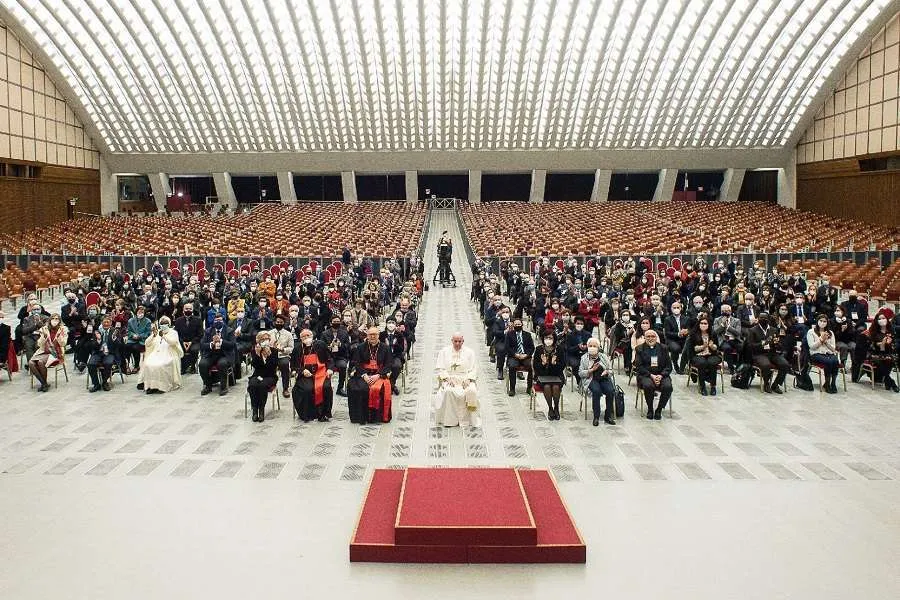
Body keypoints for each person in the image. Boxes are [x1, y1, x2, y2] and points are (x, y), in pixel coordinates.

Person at [434, 333, 480, 427]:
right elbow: (441, 368)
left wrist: (469, 379)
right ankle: (450, 420)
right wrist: (447, 378)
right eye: (455, 341)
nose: (458, 343)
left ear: (463, 341)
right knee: (448, 391)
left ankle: (468, 420)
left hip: (465, 378)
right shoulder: (444, 351)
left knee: (471, 390)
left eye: (460, 341)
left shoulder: (470, 352)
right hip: (450, 378)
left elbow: (474, 368)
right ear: (452, 341)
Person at [347, 327, 392, 424]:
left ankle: (376, 418)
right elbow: (357, 364)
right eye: (370, 334)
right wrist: (364, 375)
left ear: (378, 335)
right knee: (359, 389)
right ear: (367, 336)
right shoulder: (360, 347)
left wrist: (378, 375)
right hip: (364, 373)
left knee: (378, 389)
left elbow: (388, 365)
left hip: (379, 374)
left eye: (374, 334)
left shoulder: (386, 348)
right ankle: (361, 417)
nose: (372, 336)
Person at [293, 328, 335, 422]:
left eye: (308, 335)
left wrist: (330, 369)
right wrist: (302, 371)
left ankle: (324, 413)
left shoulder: (320, 344)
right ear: (300, 338)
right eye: (303, 336)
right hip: (306, 375)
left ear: (312, 336)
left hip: (321, 372)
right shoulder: (297, 348)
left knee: (326, 387)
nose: (306, 338)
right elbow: (294, 365)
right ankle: (308, 414)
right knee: (308, 389)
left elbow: (330, 359)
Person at [136, 316, 183, 394]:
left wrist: (164, 336)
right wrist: (153, 335)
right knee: (148, 364)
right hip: (156, 354)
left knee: (161, 365)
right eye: (161, 323)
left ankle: (162, 387)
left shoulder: (173, 332)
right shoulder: (157, 332)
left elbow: (173, 342)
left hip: (168, 354)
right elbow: (147, 343)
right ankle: (151, 386)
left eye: (165, 323)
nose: (163, 325)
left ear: (169, 324)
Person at [746, 312, 790, 394]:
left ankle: (776, 384)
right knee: (766, 365)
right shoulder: (752, 330)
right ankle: (766, 384)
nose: (763, 320)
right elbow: (750, 345)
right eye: (761, 318)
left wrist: (777, 344)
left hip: (772, 353)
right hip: (759, 354)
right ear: (758, 319)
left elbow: (780, 346)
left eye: (765, 318)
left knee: (785, 364)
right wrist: (762, 343)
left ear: (768, 320)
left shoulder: (774, 330)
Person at [635, 330, 672, 420]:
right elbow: (639, 367)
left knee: (668, 386)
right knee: (648, 385)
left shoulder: (663, 348)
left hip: (661, 375)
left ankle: (659, 409)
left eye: (653, 336)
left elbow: (668, 366)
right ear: (644, 338)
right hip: (646, 375)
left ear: (656, 338)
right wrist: (651, 375)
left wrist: (661, 375)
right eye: (648, 336)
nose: (650, 338)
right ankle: (650, 409)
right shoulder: (639, 349)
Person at [579, 338, 616, 426]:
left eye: (594, 346)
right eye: (590, 346)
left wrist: (607, 372)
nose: (592, 348)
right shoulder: (584, 358)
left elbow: (611, 370)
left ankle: (608, 415)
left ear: (598, 348)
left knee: (610, 391)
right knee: (596, 391)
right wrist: (591, 370)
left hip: (604, 378)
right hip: (591, 379)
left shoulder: (603, 356)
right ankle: (596, 416)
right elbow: (580, 373)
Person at [29, 313, 68, 392]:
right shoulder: (45, 329)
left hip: (56, 353)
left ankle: (44, 384)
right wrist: (44, 338)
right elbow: (39, 344)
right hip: (44, 351)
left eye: (57, 319)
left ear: (59, 321)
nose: (55, 320)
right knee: (31, 363)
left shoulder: (63, 329)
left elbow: (63, 343)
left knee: (40, 362)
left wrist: (59, 337)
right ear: (50, 320)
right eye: (53, 318)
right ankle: (44, 383)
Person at [199, 314, 235, 396]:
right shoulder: (208, 331)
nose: (218, 322)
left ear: (223, 321)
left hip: (224, 354)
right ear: (213, 321)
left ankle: (223, 387)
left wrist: (221, 341)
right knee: (202, 364)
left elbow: (232, 345)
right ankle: (208, 386)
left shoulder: (229, 330)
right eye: (216, 320)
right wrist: (212, 344)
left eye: (220, 320)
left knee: (222, 364)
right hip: (211, 354)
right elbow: (202, 344)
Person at [532, 330, 566, 420]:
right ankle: (550, 408)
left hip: (557, 376)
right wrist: (543, 364)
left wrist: (554, 364)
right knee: (547, 387)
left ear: (554, 339)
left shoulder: (559, 349)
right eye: (546, 338)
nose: (548, 340)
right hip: (542, 376)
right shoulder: (539, 349)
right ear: (543, 339)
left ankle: (556, 408)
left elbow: (562, 366)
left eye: (550, 338)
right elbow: (536, 367)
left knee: (555, 387)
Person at [247, 332, 278, 422]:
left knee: (262, 385)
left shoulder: (274, 351)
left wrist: (269, 355)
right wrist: (257, 355)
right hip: (258, 375)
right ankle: (254, 410)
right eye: (263, 339)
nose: (265, 341)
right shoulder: (255, 350)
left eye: (267, 339)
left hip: (270, 376)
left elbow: (274, 366)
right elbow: (255, 366)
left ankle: (261, 409)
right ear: (259, 341)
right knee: (252, 384)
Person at [689, 316, 722, 396]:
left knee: (712, 362)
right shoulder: (693, 334)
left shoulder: (713, 333)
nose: (703, 325)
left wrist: (711, 346)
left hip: (711, 354)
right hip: (697, 355)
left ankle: (713, 386)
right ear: (699, 324)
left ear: (708, 325)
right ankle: (702, 386)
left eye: (705, 323)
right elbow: (692, 349)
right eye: (701, 323)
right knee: (702, 363)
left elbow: (717, 348)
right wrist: (703, 347)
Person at [807, 314, 840, 394]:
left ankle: (833, 383)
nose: (822, 323)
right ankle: (827, 383)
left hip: (828, 353)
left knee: (835, 361)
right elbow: (812, 347)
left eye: (824, 321)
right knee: (828, 362)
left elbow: (833, 348)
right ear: (817, 321)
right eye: (821, 321)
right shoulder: (811, 332)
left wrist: (826, 342)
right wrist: (821, 340)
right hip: (816, 354)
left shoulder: (830, 333)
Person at [866, 310, 897, 391]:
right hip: (876, 352)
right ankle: (891, 382)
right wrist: (883, 343)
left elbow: (893, 345)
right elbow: (878, 346)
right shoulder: (874, 332)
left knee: (890, 359)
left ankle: (887, 381)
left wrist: (890, 343)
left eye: (883, 318)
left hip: (888, 352)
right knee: (881, 360)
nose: (882, 320)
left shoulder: (891, 330)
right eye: (879, 319)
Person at [505, 317, 534, 396]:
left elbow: (531, 347)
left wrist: (526, 355)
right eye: (516, 324)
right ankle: (512, 388)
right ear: (513, 325)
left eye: (519, 324)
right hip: (514, 356)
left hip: (525, 356)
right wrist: (515, 354)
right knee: (512, 366)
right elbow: (507, 347)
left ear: (522, 324)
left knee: (531, 366)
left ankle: (529, 387)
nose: (518, 325)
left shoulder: (527, 335)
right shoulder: (509, 334)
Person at [269, 314, 294, 398]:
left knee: (284, 364)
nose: (279, 323)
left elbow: (291, 348)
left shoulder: (288, 334)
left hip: (283, 355)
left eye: (281, 322)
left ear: (284, 323)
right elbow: (265, 345)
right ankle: (271, 384)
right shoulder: (270, 333)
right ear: (274, 322)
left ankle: (285, 388)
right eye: (277, 322)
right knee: (268, 365)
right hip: (271, 355)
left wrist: (283, 349)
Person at [173, 303, 203, 374]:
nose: (188, 310)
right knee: (180, 349)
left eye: (190, 309)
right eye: (186, 309)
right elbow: (176, 334)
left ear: (192, 310)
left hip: (194, 341)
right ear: (183, 310)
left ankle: (192, 366)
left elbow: (200, 334)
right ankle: (183, 367)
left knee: (194, 350)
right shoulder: (178, 320)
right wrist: (182, 342)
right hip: (181, 341)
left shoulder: (198, 320)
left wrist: (191, 342)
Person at [125, 306, 152, 374]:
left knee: (135, 348)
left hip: (142, 340)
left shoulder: (148, 321)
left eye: (142, 312)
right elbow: (128, 331)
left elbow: (148, 332)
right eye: (139, 312)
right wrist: (132, 335)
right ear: (136, 312)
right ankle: (126, 365)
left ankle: (136, 366)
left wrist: (139, 336)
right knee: (126, 347)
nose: (140, 313)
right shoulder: (131, 320)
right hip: (132, 339)